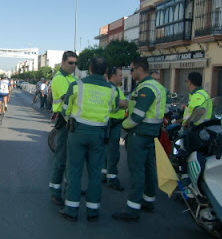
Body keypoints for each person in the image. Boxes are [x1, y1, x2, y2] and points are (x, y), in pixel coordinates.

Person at [59, 57, 118, 222]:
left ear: (90, 69)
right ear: (105, 72)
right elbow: (114, 108)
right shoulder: (112, 89)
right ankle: (93, 211)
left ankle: (71, 209)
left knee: (74, 171)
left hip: (77, 132)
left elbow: (65, 110)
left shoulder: (77, 85)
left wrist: (72, 120)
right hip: (99, 135)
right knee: (95, 173)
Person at [112, 57, 166, 222]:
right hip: (152, 134)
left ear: (140, 69)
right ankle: (148, 200)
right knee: (149, 168)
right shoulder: (157, 87)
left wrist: (124, 126)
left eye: (132, 69)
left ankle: (132, 208)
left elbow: (137, 116)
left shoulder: (146, 89)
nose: (131, 72)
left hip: (140, 133)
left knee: (137, 170)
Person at [49, 51, 79, 206]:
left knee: (71, 158)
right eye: (70, 63)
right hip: (64, 119)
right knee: (61, 158)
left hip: (73, 120)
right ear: (63, 62)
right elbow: (66, 98)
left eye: (75, 63)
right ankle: (55, 191)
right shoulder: (59, 79)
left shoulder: (72, 78)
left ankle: (70, 187)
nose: (73, 66)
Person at [101, 66, 128, 191]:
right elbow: (115, 105)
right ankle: (112, 178)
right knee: (113, 152)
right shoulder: (111, 88)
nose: (122, 77)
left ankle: (104, 174)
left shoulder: (115, 88)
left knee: (107, 151)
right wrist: (124, 104)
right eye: (120, 75)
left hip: (112, 123)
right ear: (113, 75)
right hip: (112, 123)